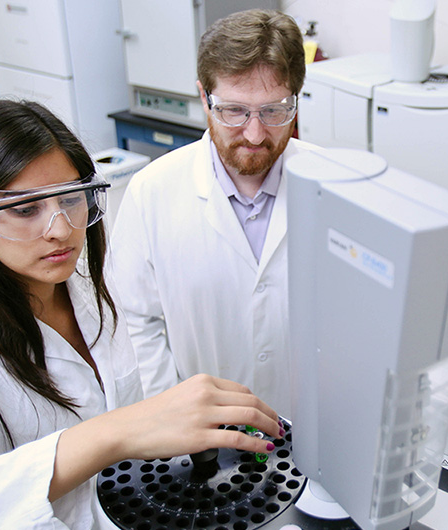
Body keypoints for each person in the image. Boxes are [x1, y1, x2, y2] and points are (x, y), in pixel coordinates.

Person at [0, 100, 282, 529]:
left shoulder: (94, 293)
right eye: (27, 209)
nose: (62, 228)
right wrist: (112, 434)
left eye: (72, 198)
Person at [110, 9, 319, 416]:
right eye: (234, 111)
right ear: (204, 96)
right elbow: (136, 322)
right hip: (200, 437)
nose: (255, 134)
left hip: (313, 423)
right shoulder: (151, 192)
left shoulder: (335, 186)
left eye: (274, 111)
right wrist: (174, 416)